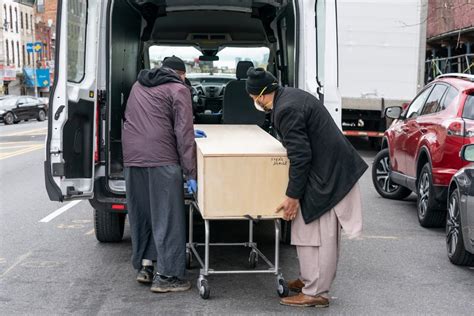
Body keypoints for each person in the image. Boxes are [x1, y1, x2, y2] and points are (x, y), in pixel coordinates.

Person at [246, 68, 368, 308]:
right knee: (306, 229)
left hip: (330, 174)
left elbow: (301, 156)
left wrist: (292, 196)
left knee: (320, 235)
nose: (253, 102)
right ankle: (309, 279)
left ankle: (317, 292)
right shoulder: (290, 96)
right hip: (326, 169)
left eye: (252, 98)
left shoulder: (286, 109)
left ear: (259, 95)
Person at [122, 56, 202, 293]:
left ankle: (146, 266)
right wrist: (191, 172)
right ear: (182, 74)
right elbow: (184, 134)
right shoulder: (179, 89)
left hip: (133, 157)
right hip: (162, 158)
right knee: (167, 217)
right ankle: (167, 277)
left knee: (142, 213)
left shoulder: (139, 85)